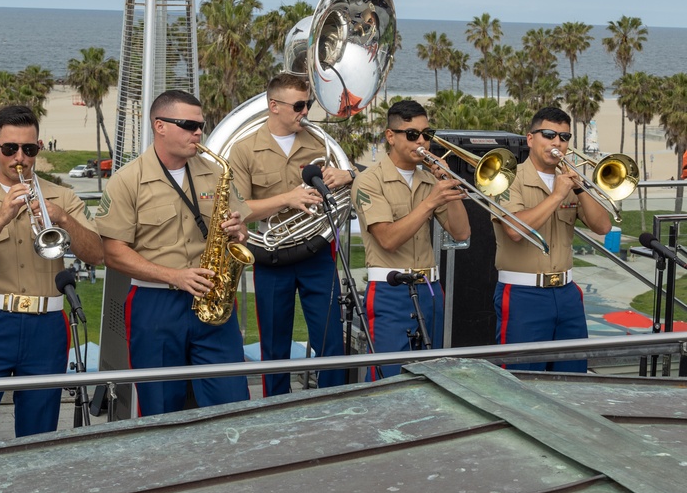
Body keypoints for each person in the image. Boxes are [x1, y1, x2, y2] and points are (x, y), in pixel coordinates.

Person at [0, 105, 104, 447]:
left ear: (38, 148)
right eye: (10, 148)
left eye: (29, 149)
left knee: (38, 438)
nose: (20, 158)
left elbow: (97, 254)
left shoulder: (63, 196)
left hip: (47, 325)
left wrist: (61, 218)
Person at [95, 89, 251, 416]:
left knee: (233, 402)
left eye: (200, 126)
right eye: (188, 125)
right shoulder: (127, 181)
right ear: (159, 126)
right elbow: (114, 254)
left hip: (213, 300)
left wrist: (239, 232)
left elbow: (242, 232)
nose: (198, 133)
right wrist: (175, 276)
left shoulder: (215, 172)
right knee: (161, 408)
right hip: (156, 306)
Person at [228, 73, 352, 396]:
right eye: (299, 105)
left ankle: (332, 409)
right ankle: (275, 413)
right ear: (274, 106)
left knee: (331, 343)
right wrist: (287, 199)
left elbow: (343, 188)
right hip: (271, 257)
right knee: (274, 348)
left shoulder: (319, 143)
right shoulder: (245, 150)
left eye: (307, 104)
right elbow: (238, 209)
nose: (305, 112)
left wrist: (348, 174)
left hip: (317, 255)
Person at [353, 99, 470, 380]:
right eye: (412, 134)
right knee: (389, 377)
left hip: (430, 288)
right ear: (390, 137)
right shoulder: (369, 181)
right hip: (390, 291)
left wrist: (447, 181)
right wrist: (430, 203)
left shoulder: (429, 180)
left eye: (427, 135)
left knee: (432, 377)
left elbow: (462, 233)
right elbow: (388, 239)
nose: (422, 142)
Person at [491, 107, 611, 372]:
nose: (557, 142)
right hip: (523, 294)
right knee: (522, 379)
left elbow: (603, 226)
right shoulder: (506, 178)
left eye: (564, 137)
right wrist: (556, 196)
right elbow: (515, 230)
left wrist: (580, 188)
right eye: (548, 134)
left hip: (567, 293)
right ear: (530, 139)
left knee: (573, 376)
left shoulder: (569, 180)